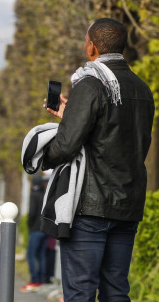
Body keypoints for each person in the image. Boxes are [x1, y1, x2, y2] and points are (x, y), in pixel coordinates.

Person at [41, 18, 154, 301]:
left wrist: (41, 156)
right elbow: (122, 138)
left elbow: (66, 145)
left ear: (92, 46)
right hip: (127, 205)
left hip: (89, 208)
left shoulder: (90, 84)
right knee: (116, 291)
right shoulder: (142, 89)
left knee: (81, 291)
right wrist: (72, 114)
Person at [20, 172, 48, 293]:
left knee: (31, 255)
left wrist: (29, 225)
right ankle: (42, 279)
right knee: (41, 255)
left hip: (35, 229)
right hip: (44, 229)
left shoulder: (33, 195)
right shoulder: (44, 194)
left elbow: (32, 213)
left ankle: (34, 279)